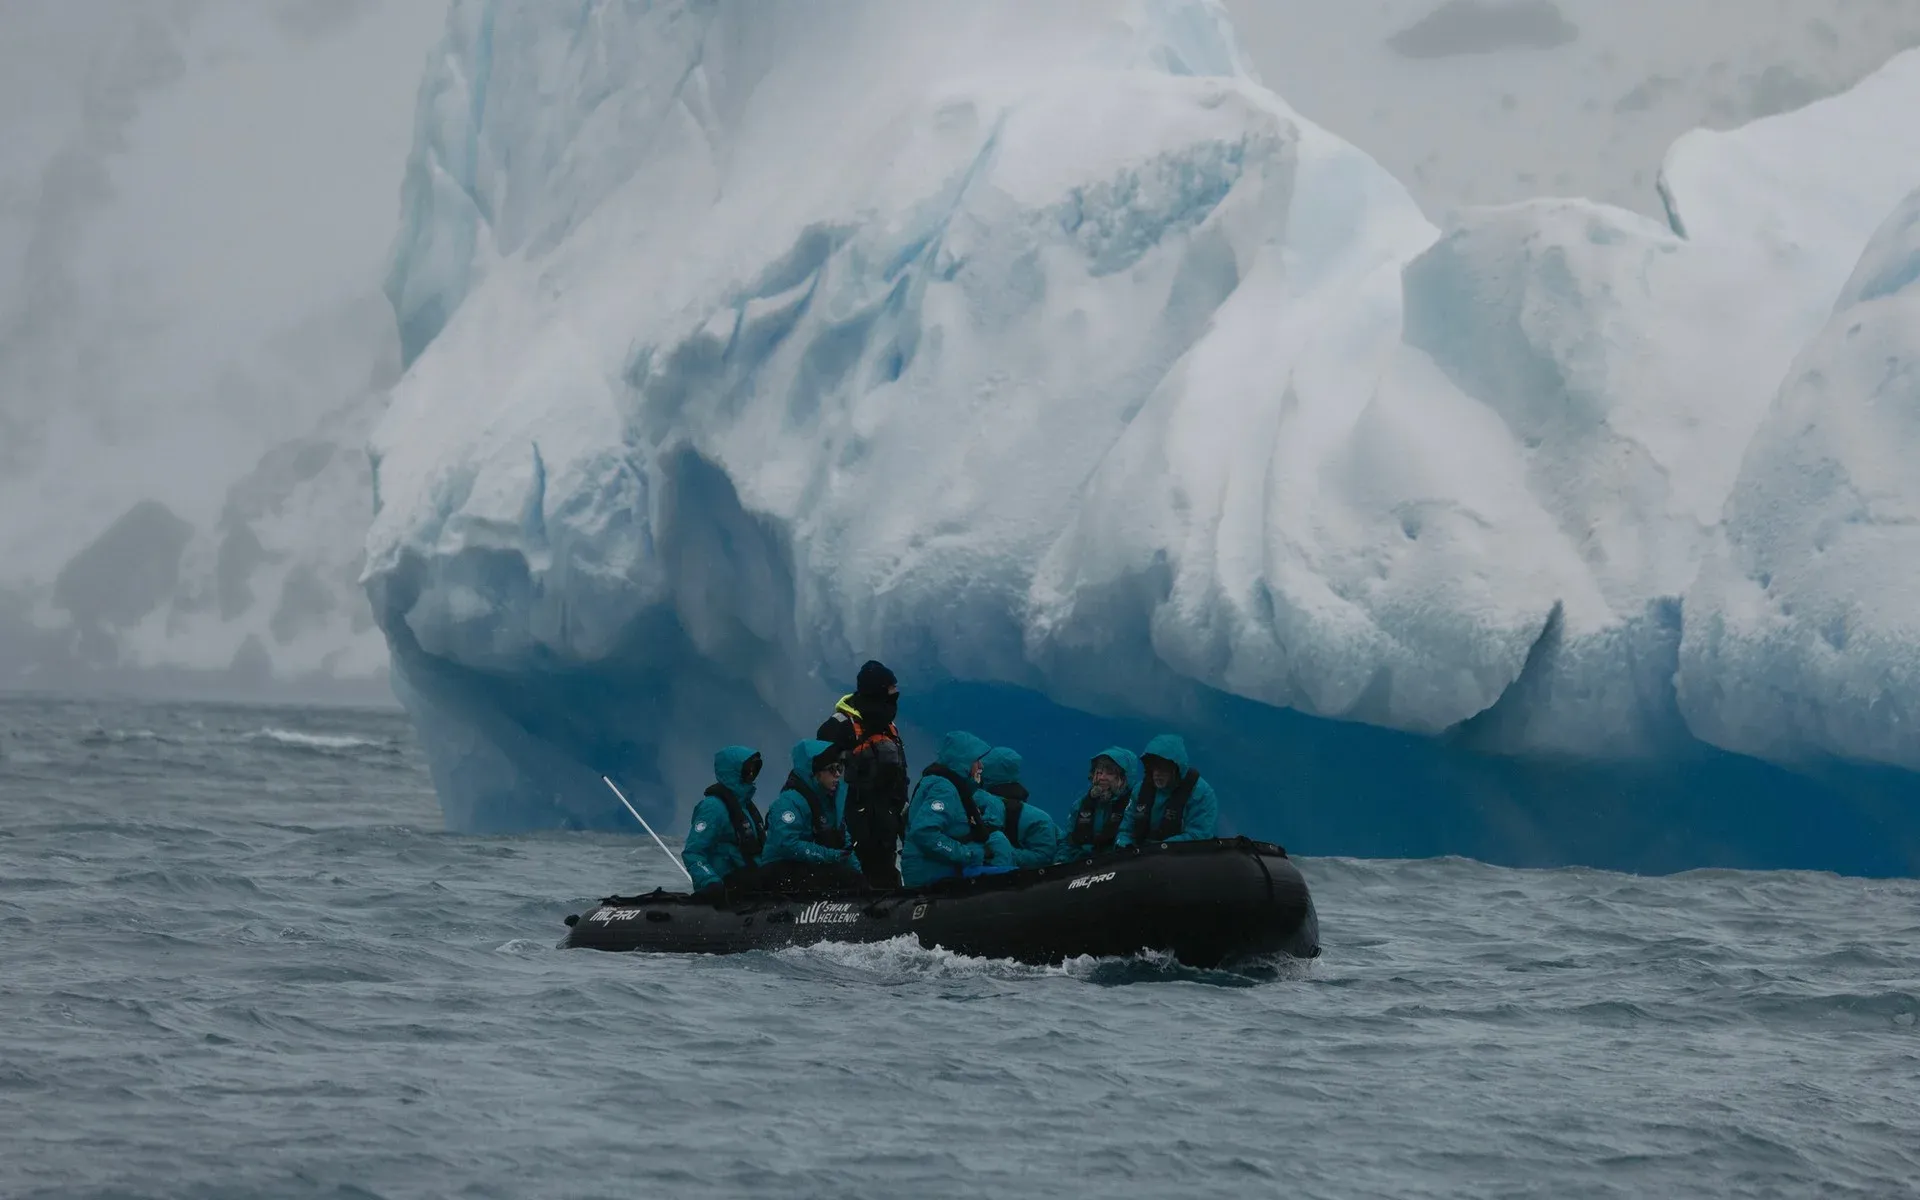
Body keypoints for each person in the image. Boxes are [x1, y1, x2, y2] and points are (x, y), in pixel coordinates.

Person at [816, 660, 910, 888]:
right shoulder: (839, 727)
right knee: (858, 884)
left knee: (886, 883)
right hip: (852, 825)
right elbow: (820, 776)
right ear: (877, 690)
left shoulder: (890, 729)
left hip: (886, 824)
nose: (894, 696)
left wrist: (903, 818)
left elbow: (900, 777)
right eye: (890, 690)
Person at [901, 731, 1016, 886]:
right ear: (963, 762)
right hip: (931, 874)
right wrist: (968, 854)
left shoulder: (951, 787)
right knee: (1011, 880)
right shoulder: (944, 789)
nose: (981, 766)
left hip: (941, 870)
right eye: (976, 760)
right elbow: (925, 833)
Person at [760, 739, 865, 891]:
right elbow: (787, 844)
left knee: (853, 879)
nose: (837, 775)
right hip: (779, 867)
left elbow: (845, 846)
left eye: (839, 768)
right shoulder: (789, 801)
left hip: (811, 867)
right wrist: (831, 856)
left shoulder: (831, 805)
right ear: (815, 772)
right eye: (832, 769)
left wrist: (860, 878)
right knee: (837, 878)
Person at [682, 745, 766, 896]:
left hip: (752, 880)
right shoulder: (713, 807)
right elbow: (693, 851)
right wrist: (709, 881)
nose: (752, 775)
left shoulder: (745, 805)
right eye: (749, 770)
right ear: (735, 771)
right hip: (728, 883)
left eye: (755, 770)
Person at [1115, 733, 1219, 847]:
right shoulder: (1139, 791)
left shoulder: (1201, 793)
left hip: (1183, 860)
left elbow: (1199, 836)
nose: (1157, 773)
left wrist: (1158, 851)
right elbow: (1125, 830)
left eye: (1163, 767)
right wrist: (1125, 847)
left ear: (1176, 767)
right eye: (1153, 766)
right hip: (1139, 859)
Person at [977, 747, 1060, 870]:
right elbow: (1044, 855)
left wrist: (1002, 852)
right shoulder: (1039, 818)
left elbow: (1043, 858)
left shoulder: (973, 803)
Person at [1058, 747, 1142, 862]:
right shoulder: (1080, 805)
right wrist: (1060, 861)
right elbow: (1067, 843)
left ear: (1124, 777)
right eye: (1099, 772)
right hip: (1084, 867)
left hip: (1122, 864)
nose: (1102, 777)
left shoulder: (1137, 801)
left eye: (1110, 773)